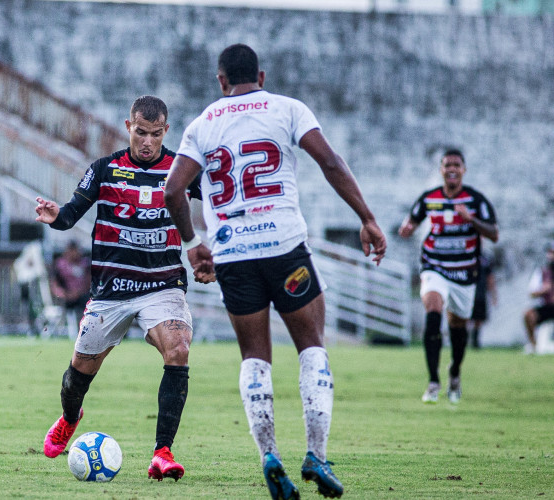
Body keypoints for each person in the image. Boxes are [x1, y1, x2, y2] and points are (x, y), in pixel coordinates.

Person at [164, 44, 386, 500]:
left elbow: (173, 191)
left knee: (254, 358)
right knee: (311, 348)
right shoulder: (287, 109)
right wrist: (367, 217)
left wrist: (194, 246)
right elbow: (330, 162)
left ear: (221, 80)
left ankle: (269, 456)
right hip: (285, 250)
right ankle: (316, 456)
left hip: (233, 257)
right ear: (260, 76)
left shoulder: (202, 124)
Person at [34, 95, 202, 481]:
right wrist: (56, 215)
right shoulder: (105, 169)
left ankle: (162, 452)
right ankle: (69, 418)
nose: (147, 142)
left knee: (178, 348)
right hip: (112, 291)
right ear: (128, 127)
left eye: (155, 134)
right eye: (140, 132)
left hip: (163, 285)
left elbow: (217, 205)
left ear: (166, 132)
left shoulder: (181, 172)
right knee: (78, 374)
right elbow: (72, 212)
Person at [398, 149, 498, 404]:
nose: (451, 168)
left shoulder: (476, 201)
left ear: (464, 169)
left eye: (456, 164)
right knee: (433, 311)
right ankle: (433, 381)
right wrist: (407, 228)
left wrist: (471, 219)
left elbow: (494, 234)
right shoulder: (429, 198)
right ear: (441, 170)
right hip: (435, 267)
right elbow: (412, 221)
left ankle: (454, 371)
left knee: (458, 328)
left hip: (464, 272)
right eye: (447, 165)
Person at [50, 240, 91, 339]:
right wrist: (64, 294)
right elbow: (54, 284)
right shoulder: (60, 264)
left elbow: (90, 281)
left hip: (82, 295)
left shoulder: (85, 263)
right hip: (66, 297)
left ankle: (88, 330)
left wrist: (79, 292)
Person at [523, 242, 554, 351]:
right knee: (528, 315)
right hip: (547, 307)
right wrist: (543, 290)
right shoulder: (542, 272)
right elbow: (531, 292)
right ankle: (533, 345)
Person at [469, 252, 497, 348]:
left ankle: (475, 341)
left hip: (481, 294)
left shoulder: (485, 258)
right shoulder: (466, 255)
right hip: (467, 292)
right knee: (464, 317)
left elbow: (490, 277)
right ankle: (462, 340)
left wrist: (493, 295)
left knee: (478, 319)